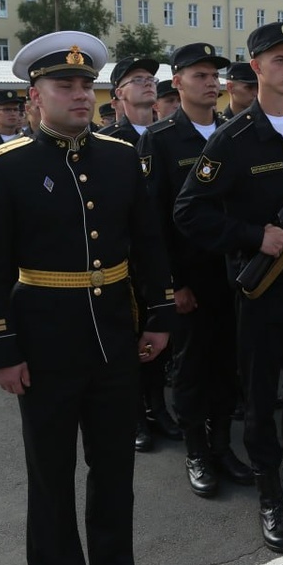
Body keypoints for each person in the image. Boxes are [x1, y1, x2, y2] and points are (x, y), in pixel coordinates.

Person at [0, 30, 173, 565]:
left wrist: (159, 315)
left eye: (86, 84)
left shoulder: (121, 157)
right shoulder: (3, 165)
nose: (80, 94)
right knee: (51, 470)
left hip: (114, 334)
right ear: (36, 95)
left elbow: (149, 243)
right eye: (65, 85)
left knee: (115, 463)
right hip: (44, 340)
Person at [174, 22, 283, 554]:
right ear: (256, 68)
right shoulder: (232, 139)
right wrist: (254, 236)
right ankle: (270, 496)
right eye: (279, 60)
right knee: (258, 397)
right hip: (262, 289)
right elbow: (189, 211)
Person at [138, 42, 254, 498]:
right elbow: (152, 221)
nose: (211, 83)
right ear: (178, 82)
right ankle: (197, 451)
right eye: (199, 75)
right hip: (191, 277)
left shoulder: (233, 132)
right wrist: (174, 284)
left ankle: (222, 445)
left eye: (214, 76)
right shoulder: (161, 139)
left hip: (235, 273)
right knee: (190, 369)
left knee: (228, 365)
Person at [100, 55, 182, 451]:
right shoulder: (109, 142)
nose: (148, 83)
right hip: (124, 258)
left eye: (150, 78)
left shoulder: (168, 135)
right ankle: (134, 415)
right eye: (137, 79)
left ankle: (157, 407)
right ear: (118, 94)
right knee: (129, 337)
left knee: (159, 330)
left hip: (160, 251)